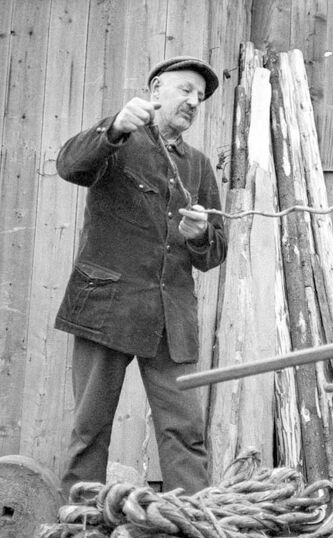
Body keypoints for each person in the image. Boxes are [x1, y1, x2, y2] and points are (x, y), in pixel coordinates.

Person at [55, 56, 227, 498]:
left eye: (200, 96)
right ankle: (80, 524)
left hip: (172, 320)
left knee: (186, 431)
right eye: (185, 90)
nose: (194, 101)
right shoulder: (118, 141)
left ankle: (192, 525)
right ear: (155, 91)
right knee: (90, 427)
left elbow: (215, 252)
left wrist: (200, 235)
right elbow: (70, 166)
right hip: (107, 308)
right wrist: (113, 127)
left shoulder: (199, 166)